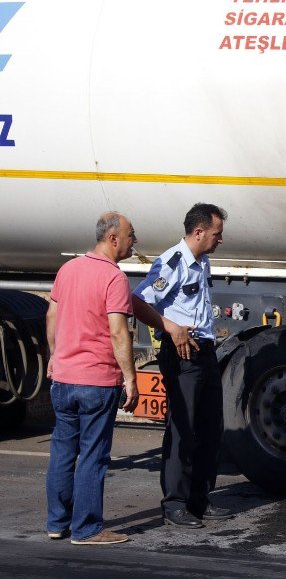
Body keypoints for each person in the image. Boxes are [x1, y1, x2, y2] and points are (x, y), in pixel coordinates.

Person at [133, 203, 231, 529]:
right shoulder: (172, 262)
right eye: (216, 234)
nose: (220, 240)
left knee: (210, 427)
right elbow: (137, 300)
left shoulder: (202, 262)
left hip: (204, 350)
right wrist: (171, 327)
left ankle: (200, 499)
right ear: (199, 231)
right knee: (182, 430)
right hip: (181, 353)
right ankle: (175, 503)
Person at [45, 212, 140, 545]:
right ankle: (86, 529)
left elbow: (52, 315)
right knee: (93, 454)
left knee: (62, 451)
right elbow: (118, 331)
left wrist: (56, 357)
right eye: (131, 235)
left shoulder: (68, 269)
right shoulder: (114, 278)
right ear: (113, 239)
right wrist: (130, 377)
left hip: (64, 379)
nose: (134, 241)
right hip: (97, 381)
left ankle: (57, 523)